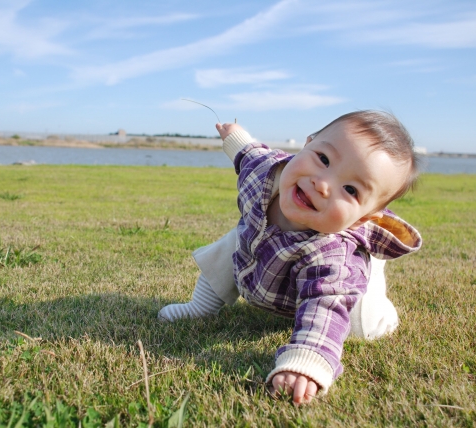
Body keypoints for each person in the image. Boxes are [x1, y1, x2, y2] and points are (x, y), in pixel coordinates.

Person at [158, 111, 422, 405]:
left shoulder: (334, 259)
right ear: (307, 144)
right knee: (231, 241)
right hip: (258, 249)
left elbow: (326, 308)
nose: (321, 184)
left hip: (338, 287)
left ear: (361, 219)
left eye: (350, 189)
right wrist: (233, 134)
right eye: (323, 159)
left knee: (362, 326)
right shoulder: (267, 174)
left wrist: (305, 364)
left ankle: (373, 277)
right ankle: (201, 306)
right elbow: (249, 153)